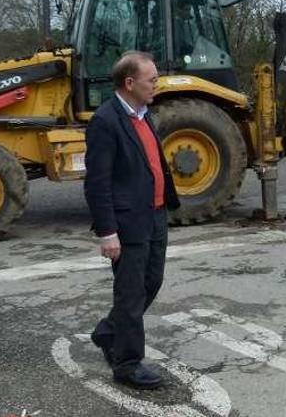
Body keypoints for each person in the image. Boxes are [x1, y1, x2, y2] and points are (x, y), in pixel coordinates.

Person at [84, 50, 180, 390]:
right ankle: (127, 364)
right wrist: (108, 232)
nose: (157, 84)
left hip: (154, 216)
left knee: (150, 283)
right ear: (129, 82)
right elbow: (97, 182)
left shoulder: (142, 114)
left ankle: (108, 332)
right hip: (127, 224)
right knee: (130, 294)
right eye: (151, 80)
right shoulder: (106, 121)